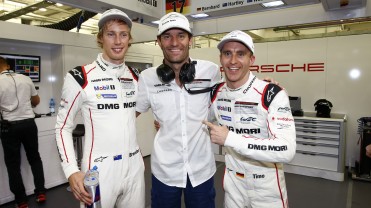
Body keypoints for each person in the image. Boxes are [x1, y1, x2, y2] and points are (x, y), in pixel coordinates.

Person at [55, 9, 145, 208]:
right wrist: (71, 170)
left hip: (134, 168)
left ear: (129, 39)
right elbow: (63, 127)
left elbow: (130, 114)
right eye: (111, 34)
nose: (118, 41)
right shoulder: (80, 76)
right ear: (100, 38)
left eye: (123, 34)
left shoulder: (137, 76)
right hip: (99, 170)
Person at [203, 30, 296, 208]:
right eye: (227, 53)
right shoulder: (216, 92)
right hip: (233, 187)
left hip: (267, 190)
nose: (233, 61)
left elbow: (287, 149)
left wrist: (230, 138)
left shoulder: (271, 93)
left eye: (241, 54)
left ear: (251, 60)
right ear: (221, 58)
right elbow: (197, 119)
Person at [136, 12, 220, 208]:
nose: (174, 42)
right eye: (167, 36)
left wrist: (266, 88)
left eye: (181, 36)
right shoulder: (148, 78)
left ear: (190, 40)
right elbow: (128, 114)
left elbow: (232, 95)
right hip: (164, 172)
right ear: (159, 41)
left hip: (201, 172)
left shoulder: (210, 71)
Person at [0, 56, 46, 208]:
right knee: (35, 158)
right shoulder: (26, 78)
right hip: (29, 124)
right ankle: (40, 192)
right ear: (7, 65)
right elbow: (36, 101)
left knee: (13, 165)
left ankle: (21, 201)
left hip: (9, 127)